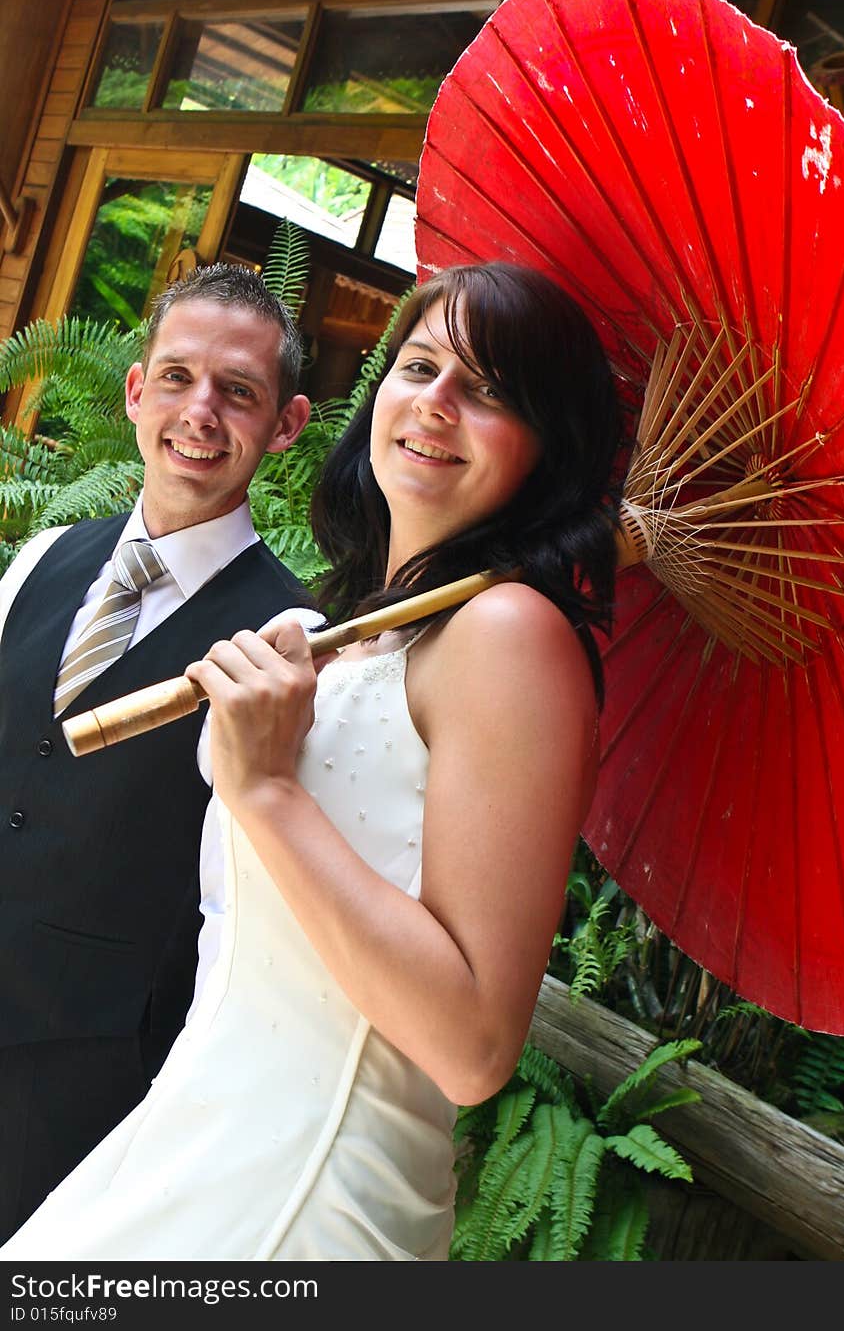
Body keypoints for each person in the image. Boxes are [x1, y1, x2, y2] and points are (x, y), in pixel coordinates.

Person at [1, 259, 622, 1261]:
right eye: (419, 366)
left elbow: (471, 1049)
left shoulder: (510, 634)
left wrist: (265, 788)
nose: (435, 405)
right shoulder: (349, 633)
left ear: (549, 447)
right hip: (186, 1150)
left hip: (303, 1193)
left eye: (491, 390)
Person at [0, 262, 319, 1243]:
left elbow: (259, 902)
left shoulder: (293, 641)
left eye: (239, 391)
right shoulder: (39, 559)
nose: (200, 411)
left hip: (93, 1089)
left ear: (288, 424)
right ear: (137, 391)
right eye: (177, 378)